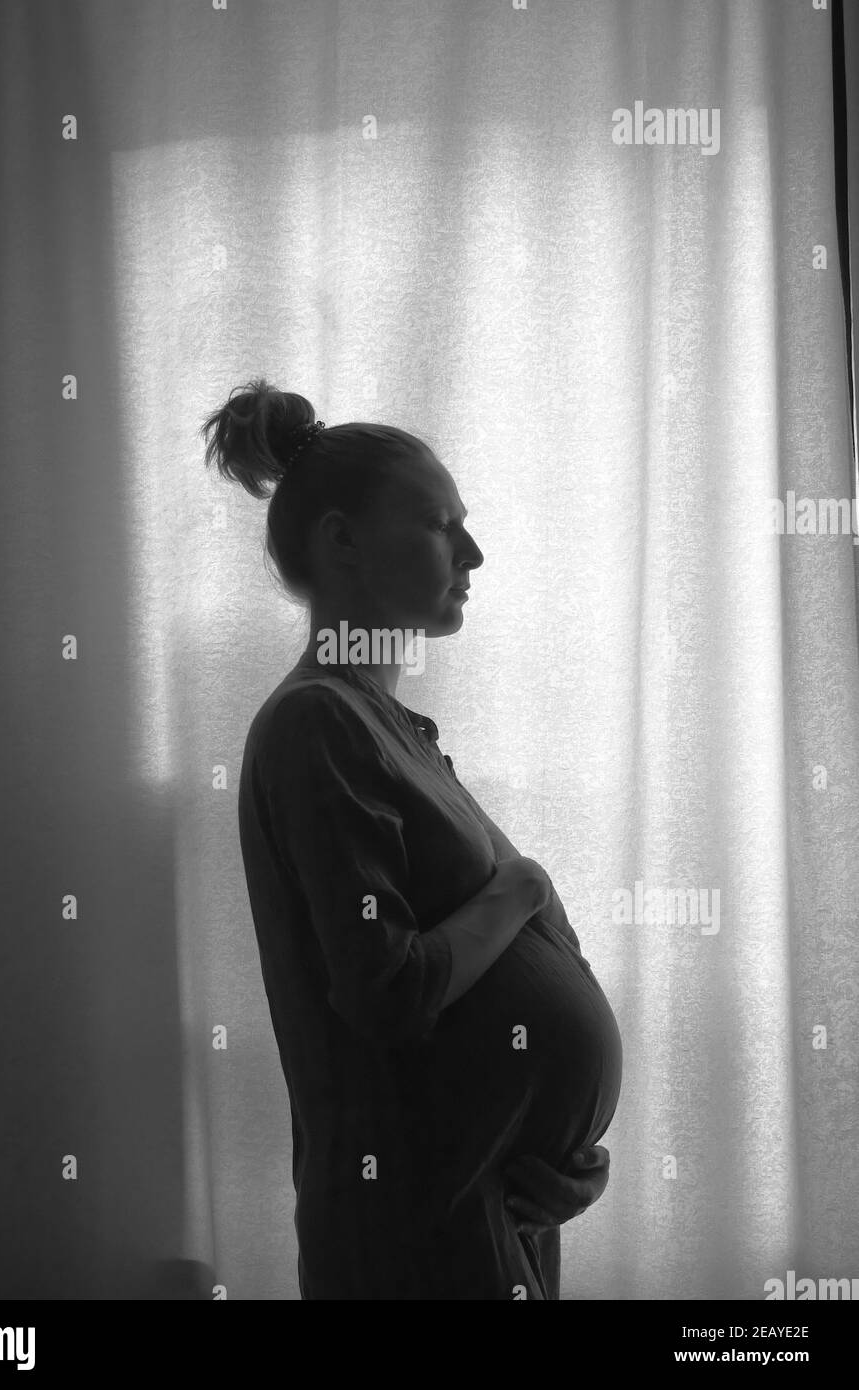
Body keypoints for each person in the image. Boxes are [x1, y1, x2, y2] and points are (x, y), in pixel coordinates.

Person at [201, 379, 623, 1299]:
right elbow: (389, 989)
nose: (471, 550)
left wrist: (564, 1152)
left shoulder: (386, 725)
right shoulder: (317, 722)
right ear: (341, 540)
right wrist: (519, 891)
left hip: (486, 1206)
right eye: (438, 524)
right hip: (413, 1237)